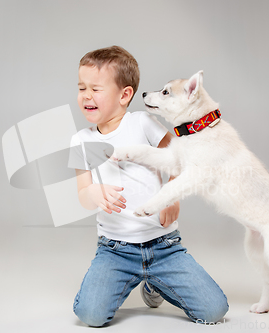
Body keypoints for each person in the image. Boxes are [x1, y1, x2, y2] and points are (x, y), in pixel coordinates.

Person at [70, 45, 228, 327]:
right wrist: (92, 193)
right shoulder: (81, 140)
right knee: (90, 315)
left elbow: (180, 158)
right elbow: (83, 195)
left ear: (125, 95)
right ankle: (130, 278)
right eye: (82, 88)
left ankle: (157, 283)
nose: (86, 96)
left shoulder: (141, 123)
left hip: (164, 246)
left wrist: (171, 197)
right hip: (115, 249)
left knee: (214, 310)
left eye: (96, 89)